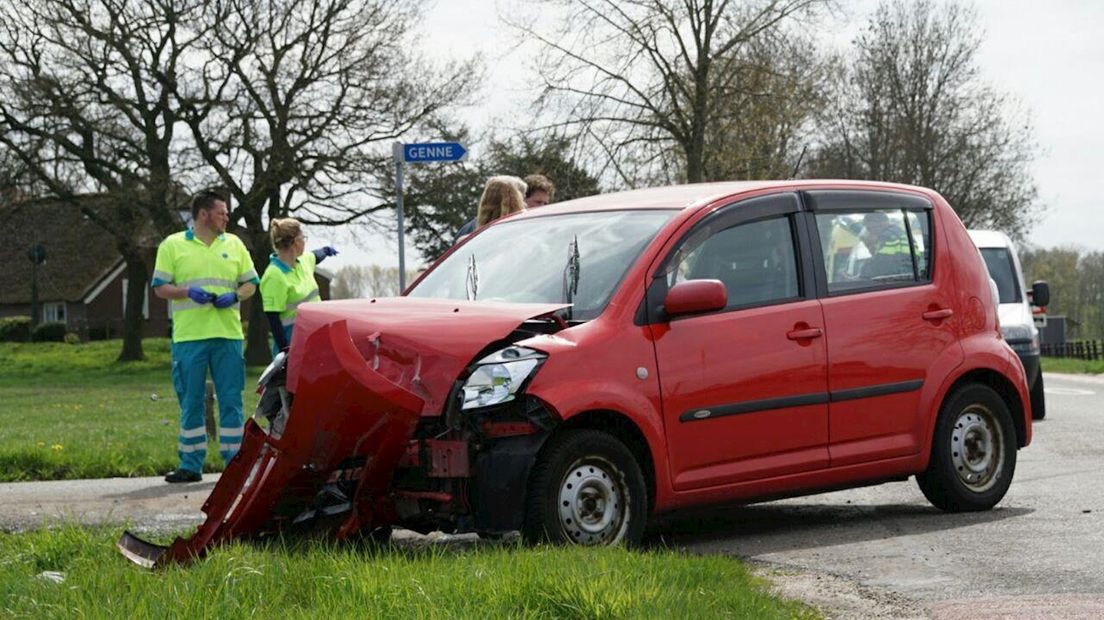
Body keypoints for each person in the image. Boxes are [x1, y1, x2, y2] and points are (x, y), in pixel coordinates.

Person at [151, 189, 259, 483]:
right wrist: (187, 292)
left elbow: (252, 283)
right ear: (203, 214)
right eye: (222, 212)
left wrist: (235, 296)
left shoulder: (234, 244)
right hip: (189, 339)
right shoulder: (172, 245)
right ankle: (190, 465)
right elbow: (160, 287)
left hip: (228, 336)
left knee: (231, 401)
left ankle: (235, 464)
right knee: (191, 401)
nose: (227, 217)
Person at [260, 218, 337, 354]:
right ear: (295, 242)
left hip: (314, 337)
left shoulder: (303, 261)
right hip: (293, 343)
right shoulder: (274, 276)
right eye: (303, 238)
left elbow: (316, 255)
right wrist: (285, 351)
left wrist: (326, 250)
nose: (304, 242)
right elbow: (273, 319)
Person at [454, 174, 543, 240]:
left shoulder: (465, 240)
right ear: (516, 203)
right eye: (522, 199)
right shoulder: (527, 240)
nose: (525, 205)